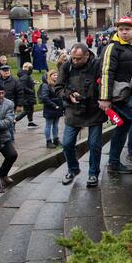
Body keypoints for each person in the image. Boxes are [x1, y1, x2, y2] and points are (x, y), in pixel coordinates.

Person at [99, 16, 132, 173]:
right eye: (121, 29)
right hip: (121, 95)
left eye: (127, 29)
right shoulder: (112, 48)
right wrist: (105, 98)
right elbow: (106, 73)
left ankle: (113, 163)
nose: (124, 32)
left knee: (123, 128)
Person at [55, 43, 107, 187]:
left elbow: (106, 84)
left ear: (87, 55)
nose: (75, 61)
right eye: (73, 58)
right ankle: (73, 169)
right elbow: (58, 87)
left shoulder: (97, 65)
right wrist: (68, 94)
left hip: (94, 110)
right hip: (74, 110)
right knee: (67, 143)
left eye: (79, 59)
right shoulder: (67, 66)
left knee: (95, 144)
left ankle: (93, 174)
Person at [38, 69, 64, 148]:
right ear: (50, 76)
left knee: (56, 125)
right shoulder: (46, 85)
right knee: (48, 125)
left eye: (57, 75)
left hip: (58, 107)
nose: (56, 76)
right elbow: (45, 98)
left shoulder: (57, 84)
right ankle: (48, 141)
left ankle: (56, 139)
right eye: (54, 75)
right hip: (50, 108)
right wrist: (54, 105)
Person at [15, 62, 37, 128]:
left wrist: (33, 83)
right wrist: (31, 91)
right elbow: (22, 87)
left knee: (31, 109)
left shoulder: (25, 75)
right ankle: (15, 120)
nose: (31, 69)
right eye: (30, 68)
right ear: (27, 68)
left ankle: (30, 122)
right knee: (27, 110)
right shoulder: (25, 76)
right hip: (27, 97)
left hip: (28, 96)